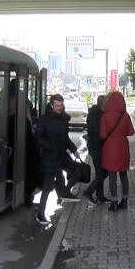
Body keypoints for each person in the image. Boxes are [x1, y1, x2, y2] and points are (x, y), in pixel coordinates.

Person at [34, 94, 80, 224]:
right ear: (52, 105)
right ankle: (40, 214)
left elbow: (65, 138)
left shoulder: (64, 119)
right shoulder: (45, 119)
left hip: (61, 155)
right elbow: (38, 136)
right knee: (48, 186)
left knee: (77, 170)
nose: (59, 108)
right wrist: (48, 146)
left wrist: (74, 150)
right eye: (57, 106)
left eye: (61, 106)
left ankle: (64, 194)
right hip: (49, 157)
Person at [99, 91, 135, 212]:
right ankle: (124, 201)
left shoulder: (105, 116)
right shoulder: (125, 115)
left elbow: (103, 135)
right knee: (124, 175)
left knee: (112, 176)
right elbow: (131, 132)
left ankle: (113, 202)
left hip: (110, 148)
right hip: (123, 147)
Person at [82, 95, 107, 205]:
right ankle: (88, 192)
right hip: (95, 146)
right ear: (103, 103)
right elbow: (95, 130)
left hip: (99, 146)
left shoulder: (98, 113)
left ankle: (100, 196)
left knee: (100, 172)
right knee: (102, 172)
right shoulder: (95, 114)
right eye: (107, 101)